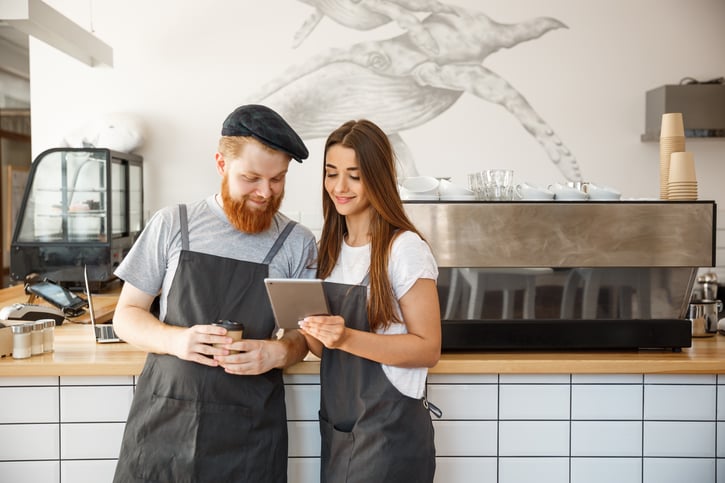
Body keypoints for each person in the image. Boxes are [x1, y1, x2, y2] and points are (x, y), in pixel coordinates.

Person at [112, 104, 317, 482]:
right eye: (251, 177)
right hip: (165, 424)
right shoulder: (174, 224)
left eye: (278, 180)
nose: (265, 193)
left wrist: (279, 351)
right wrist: (177, 341)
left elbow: (306, 335)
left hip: (250, 434)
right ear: (222, 164)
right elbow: (126, 315)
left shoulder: (296, 243)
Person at [298, 119, 442, 482]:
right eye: (331, 173)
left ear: (377, 178)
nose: (339, 187)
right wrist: (307, 326)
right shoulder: (327, 251)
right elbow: (324, 350)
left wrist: (345, 337)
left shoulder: (404, 249)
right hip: (340, 429)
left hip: (390, 435)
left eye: (354, 175)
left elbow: (428, 349)